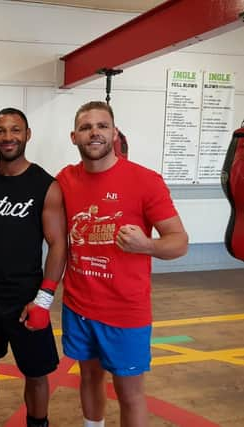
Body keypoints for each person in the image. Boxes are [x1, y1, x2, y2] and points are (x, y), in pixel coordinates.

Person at [57, 101, 189, 427]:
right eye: (86, 128)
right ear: (74, 137)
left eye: (102, 126)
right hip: (78, 305)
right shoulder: (65, 179)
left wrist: (148, 245)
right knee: (88, 378)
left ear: (115, 133)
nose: (95, 133)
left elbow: (179, 241)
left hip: (125, 312)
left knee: (129, 393)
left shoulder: (145, 181)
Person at [0, 107, 67, 427]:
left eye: (15, 130)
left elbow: (58, 243)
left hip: (26, 297)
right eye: (0, 131)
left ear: (27, 135)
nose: (8, 137)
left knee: (36, 373)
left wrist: (45, 298)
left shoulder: (46, 185)